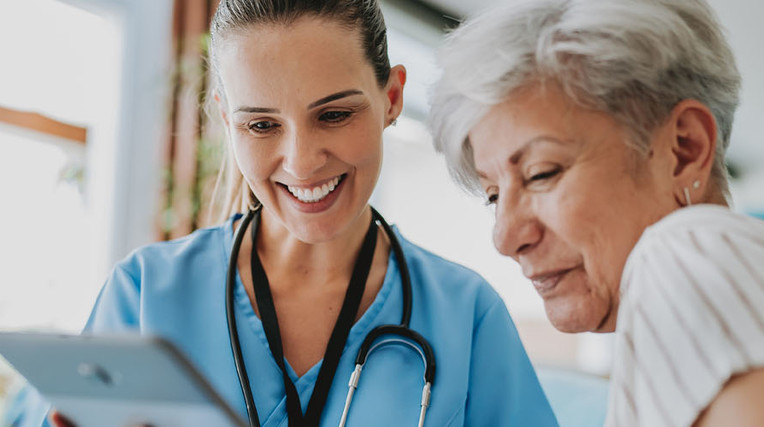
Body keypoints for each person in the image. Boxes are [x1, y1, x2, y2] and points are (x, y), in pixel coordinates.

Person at [10, 1, 559, 426]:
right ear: (227, 120)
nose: (301, 161)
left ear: (391, 98)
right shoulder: (145, 292)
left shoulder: (465, 316)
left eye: (335, 114)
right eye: (261, 125)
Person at [429, 0, 764, 426]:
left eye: (540, 174)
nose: (506, 237)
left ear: (684, 149)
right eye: (494, 195)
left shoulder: (684, 251)